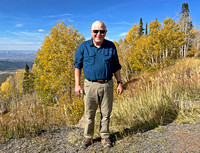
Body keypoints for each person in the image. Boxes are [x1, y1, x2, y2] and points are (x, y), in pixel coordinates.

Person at [74, 21, 123, 149]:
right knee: (89, 113)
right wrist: (77, 85)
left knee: (106, 113)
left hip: (107, 85)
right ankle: (88, 137)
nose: (98, 34)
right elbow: (77, 67)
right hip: (89, 86)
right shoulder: (83, 47)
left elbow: (116, 66)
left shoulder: (111, 46)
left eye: (102, 31)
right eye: (96, 31)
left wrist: (119, 82)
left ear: (105, 32)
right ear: (91, 32)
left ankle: (105, 136)